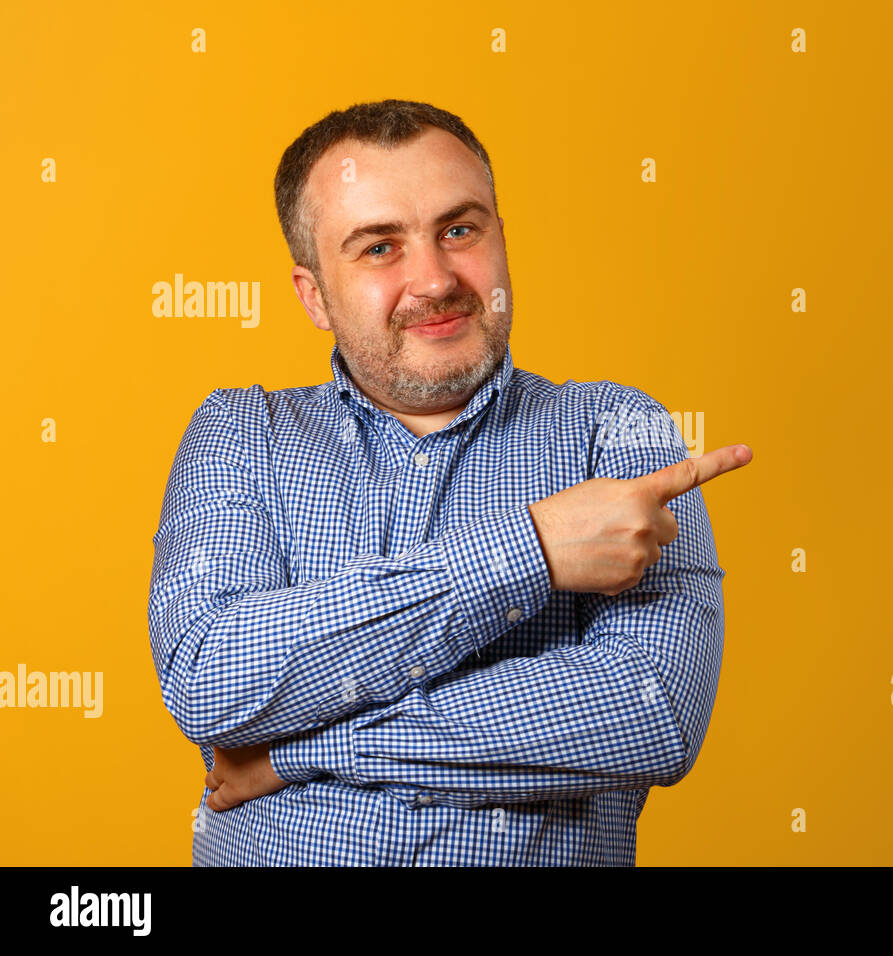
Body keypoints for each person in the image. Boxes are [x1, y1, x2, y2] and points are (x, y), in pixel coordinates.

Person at [147, 99, 752, 866]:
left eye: (459, 230)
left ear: (501, 238)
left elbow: (649, 712)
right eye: (378, 247)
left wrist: (299, 753)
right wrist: (531, 552)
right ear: (313, 295)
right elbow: (211, 678)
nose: (434, 279)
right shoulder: (241, 434)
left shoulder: (619, 431)